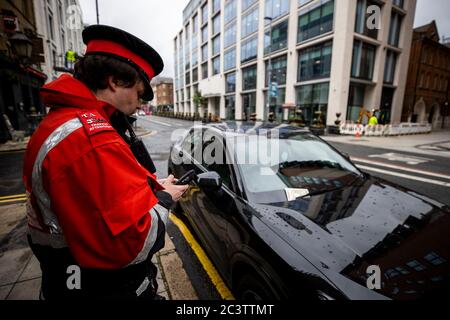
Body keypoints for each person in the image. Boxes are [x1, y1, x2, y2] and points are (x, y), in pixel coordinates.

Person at [22, 25, 188, 300]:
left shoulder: (65, 121)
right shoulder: (91, 142)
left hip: (65, 281)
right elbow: (129, 245)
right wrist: (163, 199)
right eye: (140, 91)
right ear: (114, 81)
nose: (141, 102)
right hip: (105, 288)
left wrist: (149, 187)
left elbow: (98, 200)